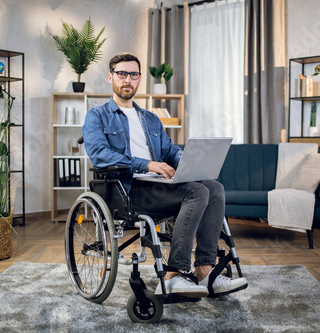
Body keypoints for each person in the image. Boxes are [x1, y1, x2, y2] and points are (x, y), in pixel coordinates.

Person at [82, 52, 247, 298]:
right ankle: (173, 273)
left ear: (139, 79)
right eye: (122, 74)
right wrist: (146, 164)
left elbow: (169, 150)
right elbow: (99, 155)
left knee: (214, 187)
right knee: (197, 191)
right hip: (127, 190)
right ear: (111, 77)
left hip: (159, 186)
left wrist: (189, 163)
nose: (128, 79)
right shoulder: (97, 116)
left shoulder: (150, 118)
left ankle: (204, 269)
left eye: (134, 74)